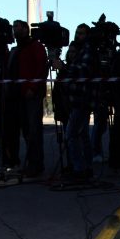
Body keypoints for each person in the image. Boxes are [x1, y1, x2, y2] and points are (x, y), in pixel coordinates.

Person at [52, 24, 94, 180]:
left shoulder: (88, 52)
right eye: (77, 33)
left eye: (82, 33)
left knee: (72, 135)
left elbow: (82, 72)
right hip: (73, 102)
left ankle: (80, 168)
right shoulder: (81, 53)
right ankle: (83, 167)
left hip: (81, 100)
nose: (78, 36)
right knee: (81, 136)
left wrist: (63, 67)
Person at [7, 20, 48, 177]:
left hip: (32, 95)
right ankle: (31, 162)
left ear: (25, 29)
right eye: (13, 27)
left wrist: (33, 87)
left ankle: (37, 164)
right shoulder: (17, 49)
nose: (14, 29)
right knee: (26, 131)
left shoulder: (36, 46)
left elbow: (41, 68)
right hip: (19, 95)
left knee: (34, 130)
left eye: (17, 26)